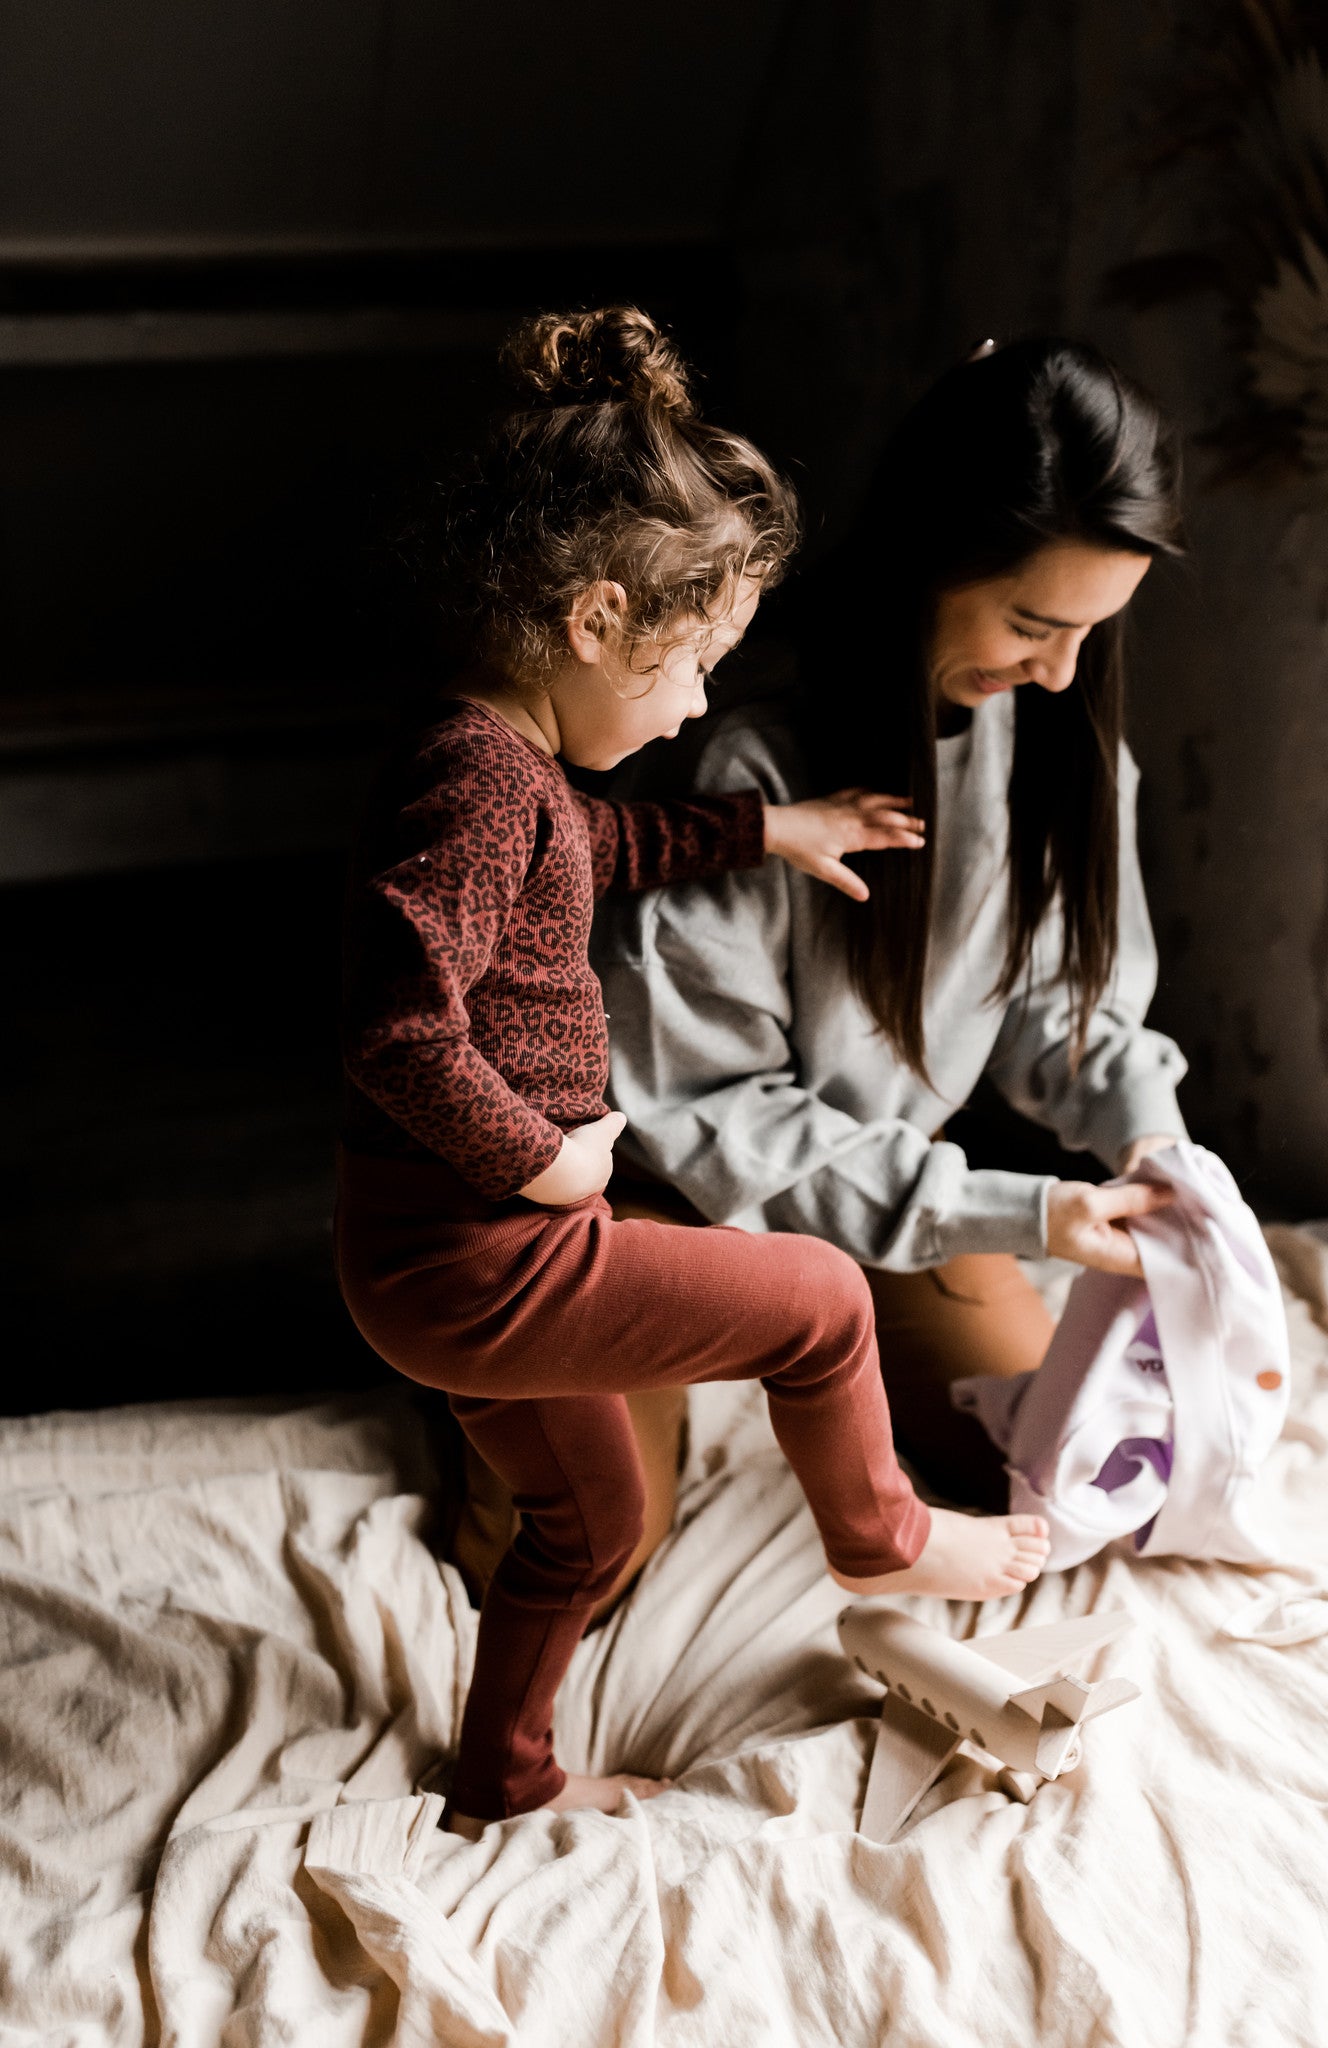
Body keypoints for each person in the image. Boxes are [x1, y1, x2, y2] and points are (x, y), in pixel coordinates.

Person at [334, 307, 1053, 1827]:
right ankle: (876, 1535)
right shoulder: (473, 780)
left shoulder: (512, 769)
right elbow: (397, 1020)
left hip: (463, 1261)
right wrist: (535, 1156)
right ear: (595, 622)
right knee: (820, 1300)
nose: (700, 706)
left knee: (589, 1525)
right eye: (690, 665)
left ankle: (504, 1777)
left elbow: (598, 845)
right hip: (485, 1251)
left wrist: (765, 832)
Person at [595, 335, 1188, 1512]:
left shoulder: (1059, 746)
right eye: (1031, 621)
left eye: (1093, 632)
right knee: (587, 1534)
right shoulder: (744, 747)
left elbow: (1059, 1010)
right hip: (658, 1190)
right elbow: (705, 1108)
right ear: (936, 557)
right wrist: (1018, 1210)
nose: (1063, 674)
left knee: (1049, 1473)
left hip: (868, 1185)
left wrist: (1153, 1146)